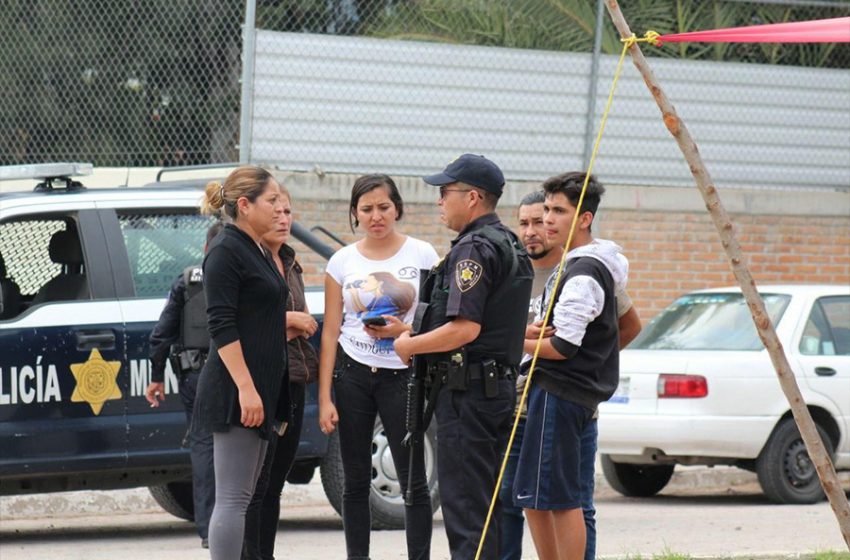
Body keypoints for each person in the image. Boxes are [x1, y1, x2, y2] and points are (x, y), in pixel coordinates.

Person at [394, 154, 533, 560]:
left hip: (469, 395)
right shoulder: (509, 242)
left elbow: (466, 329)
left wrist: (408, 345)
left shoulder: (473, 249)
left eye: (444, 192)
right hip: (495, 391)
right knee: (490, 511)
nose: (439, 201)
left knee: (468, 513)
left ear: (472, 197)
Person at [499, 190, 641, 560]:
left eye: (551, 213)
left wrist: (582, 370)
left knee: (569, 502)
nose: (538, 226)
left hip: (562, 399)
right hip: (519, 405)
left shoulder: (584, 272)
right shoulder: (512, 271)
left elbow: (616, 330)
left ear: (581, 219)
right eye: (528, 220)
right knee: (523, 499)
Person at [318, 174, 438, 560]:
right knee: (354, 481)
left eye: (383, 207)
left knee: (413, 481)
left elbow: (435, 321)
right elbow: (331, 330)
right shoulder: (342, 261)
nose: (376, 216)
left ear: (397, 208)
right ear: (354, 214)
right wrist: (324, 398)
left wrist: (405, 330)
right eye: (366, 209)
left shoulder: (422, 255)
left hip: (403, 374)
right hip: (352, 373)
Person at [192, 166, 290, 560]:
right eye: (272, 200)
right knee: (233, 499)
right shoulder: (226, 249)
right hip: (236, 391)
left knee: (246, 496)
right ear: (245, 205)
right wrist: (247, 389)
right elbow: (221, 324)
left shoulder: (258, 248)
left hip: (260, 387)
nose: (280, 207)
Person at [243, 185, 320, 560]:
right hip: (259, 383)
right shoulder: (247, 261)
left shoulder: (289, 259)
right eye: (275, 210)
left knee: (273, 485)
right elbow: (237, 324)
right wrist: (288, 320)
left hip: (293, 382)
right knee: (252, 486)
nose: (283, 218)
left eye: (288, 212)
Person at [144, 221, 225, 549]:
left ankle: (209, 531)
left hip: (197, 375)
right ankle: (236, 524)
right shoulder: (248, 276)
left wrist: (156, 375)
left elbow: (161, 333)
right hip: (239, 377)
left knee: (204, 447)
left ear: (206, 250)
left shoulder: (189, 281)